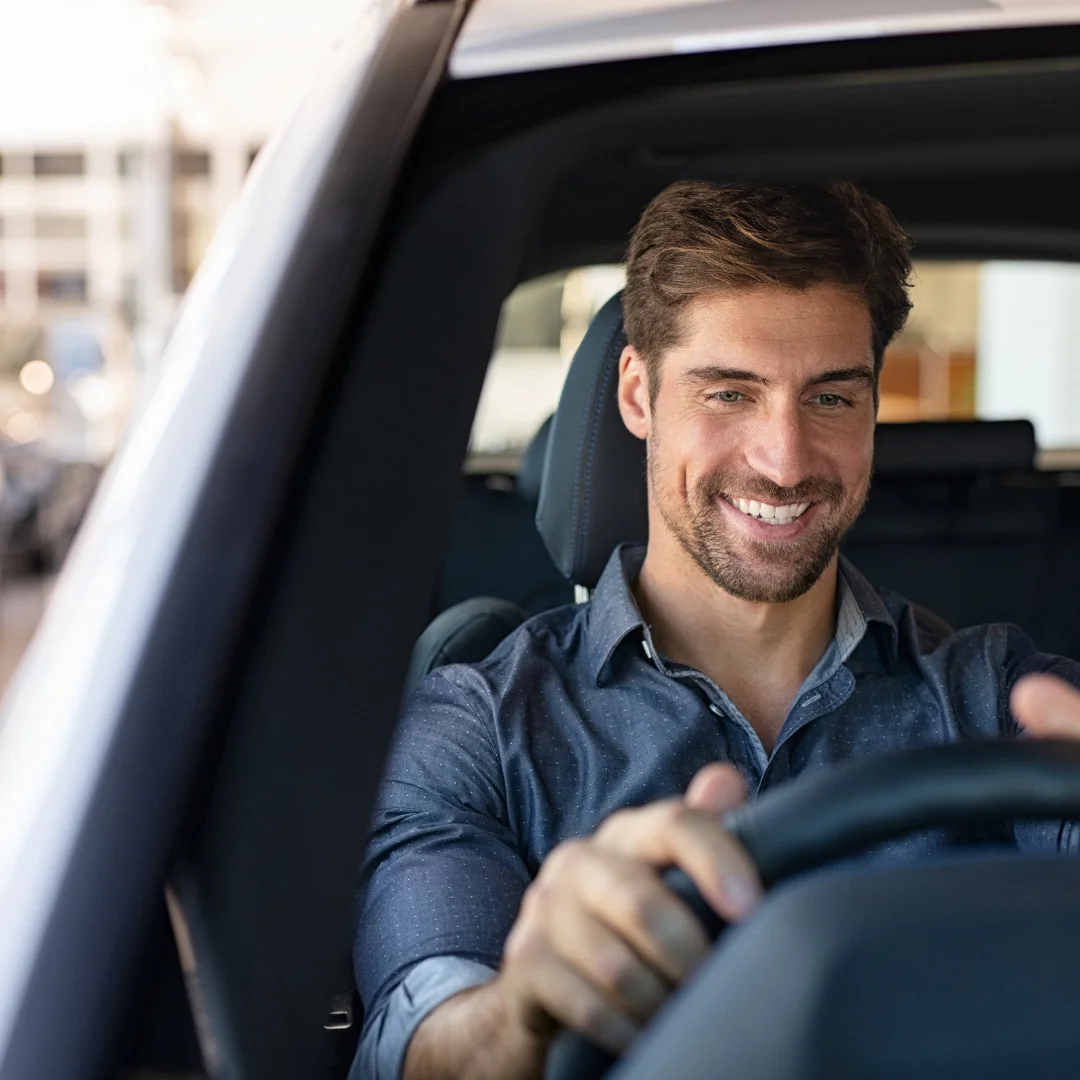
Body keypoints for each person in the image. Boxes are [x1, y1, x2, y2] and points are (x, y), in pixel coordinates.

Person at [350, 181, 1080, 1080]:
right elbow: (424, 1041)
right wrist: (524, 1010)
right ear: (637, 395)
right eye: (730, 394)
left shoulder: (1001, 699)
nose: (784, 461)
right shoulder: (481, 729)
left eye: (831, 399)